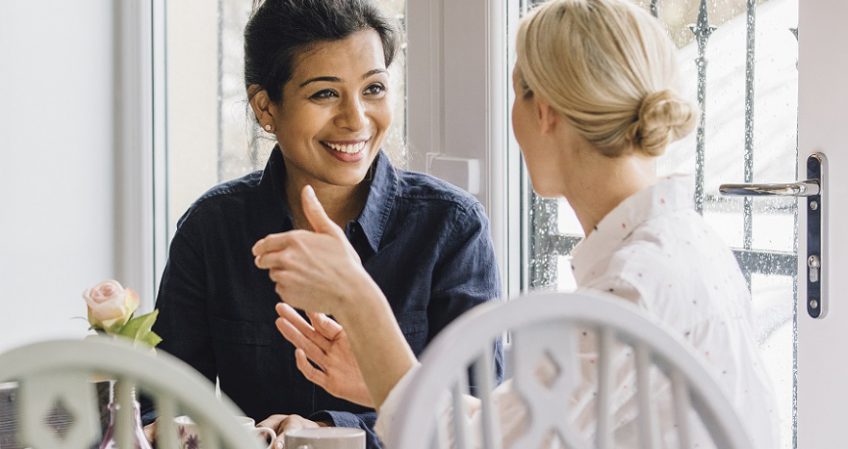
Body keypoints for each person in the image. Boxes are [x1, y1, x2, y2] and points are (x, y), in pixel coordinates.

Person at [253, 0, 779, 447]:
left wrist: (356, 296)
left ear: (543, 110)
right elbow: (514, 427)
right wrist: (377, 378)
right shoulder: (677, 248)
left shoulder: (633, 286)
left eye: (515, 92)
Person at [145, 1, 503, 448]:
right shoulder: (211, 229)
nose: (356, 119)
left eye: (373, 89)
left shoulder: (451, 228)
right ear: (265, 108)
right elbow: (159, 403)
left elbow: (481, 417)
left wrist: (335, 431)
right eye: (324, 94)